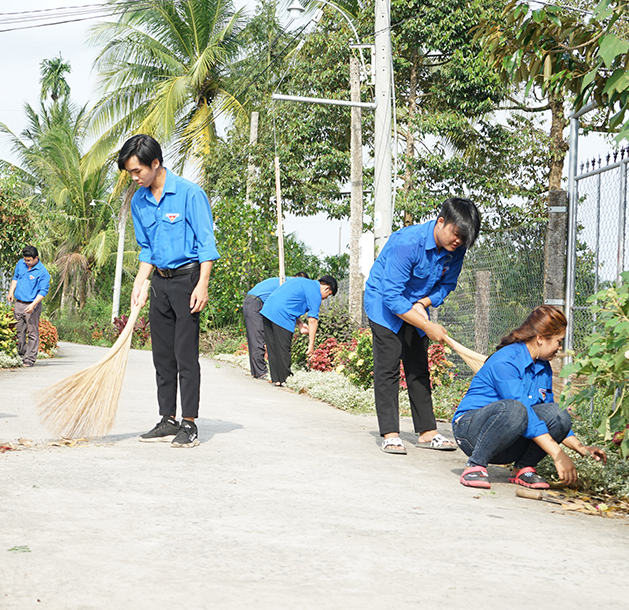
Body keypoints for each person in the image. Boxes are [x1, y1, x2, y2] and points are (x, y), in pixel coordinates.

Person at [118, 134, 219, 448]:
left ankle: (189, 423)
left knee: (184, 355)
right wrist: (139, 282)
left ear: (155, 164)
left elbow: (206, 245)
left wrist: (202, 284)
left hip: (187, 282)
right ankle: (167, 419)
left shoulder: (189, 194)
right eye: (130, 173)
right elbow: (146, 248)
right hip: (159, 283)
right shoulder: (139, 200)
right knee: (162, 356)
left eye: (137, 172)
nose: (134, 178)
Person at [364, 197, 481, 454]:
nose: (459, 241)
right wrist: (428, 326)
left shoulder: (456, 250)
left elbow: (447, 285)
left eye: (464, 239)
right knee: (389, 366)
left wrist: (423, 303)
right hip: (385, 305)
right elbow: (392, 297)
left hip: (415, 306)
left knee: (418, 367)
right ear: (441, 222)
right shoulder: (408, 242)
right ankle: (391, 433)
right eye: (456, 234)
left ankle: (427, 433)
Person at [453, 305, 607, 489]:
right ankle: (475, 465)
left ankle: (522, 469)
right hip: (471, 433)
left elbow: (548, 417)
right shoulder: (506, 361)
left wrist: (581, 448)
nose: (559, 348)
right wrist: (558, 454)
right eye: (558, 341)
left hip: (507, 440)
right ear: (540, 338)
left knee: (558, 414)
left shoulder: (543, 366)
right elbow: (522, 409)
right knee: (516, 408)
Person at [259, 275, 337, 387]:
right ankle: (286, 380)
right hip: (282, 314)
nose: (324, 299)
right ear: (326, 288)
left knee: (273, 347)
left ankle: (276, 379)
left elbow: (289, 301)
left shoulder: (303, 282)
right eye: (327, 295)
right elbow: (313, 320)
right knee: (283, 348)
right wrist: (311, 345)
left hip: (268, 309)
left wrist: (299, 323)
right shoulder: (315, 292)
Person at [243, 272, 309, 379]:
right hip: (255, 302)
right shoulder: (285, 283)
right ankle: (261, 373)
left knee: (257, 336)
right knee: (257, 337)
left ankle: (257, 371)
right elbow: (286, 306)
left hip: (254, 302)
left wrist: (299, 322)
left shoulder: (286, 282)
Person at [7, 245, 51, 367]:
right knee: (19, 331)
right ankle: (20, 356)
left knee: (32, 333)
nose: (26, 262)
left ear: (36, 258)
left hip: (32, 306)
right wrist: (11, 292)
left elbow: (43, 291)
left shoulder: (42, 272)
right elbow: (15, 278)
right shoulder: (20, 264)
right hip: (19, 303)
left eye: (29, 260)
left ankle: (30, 359)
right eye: (25, 260)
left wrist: (33, 305)